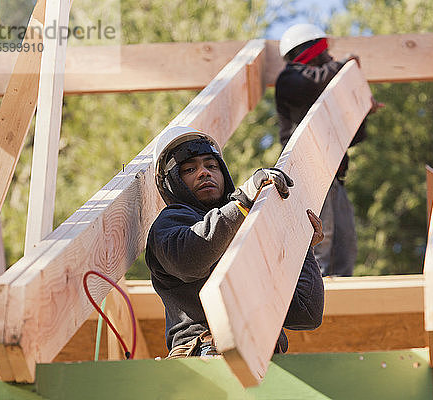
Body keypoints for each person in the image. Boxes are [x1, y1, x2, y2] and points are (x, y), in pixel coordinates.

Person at [145, 125, 325, 358]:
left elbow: (305, 313)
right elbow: (191, 259)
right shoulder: (169, 224)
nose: (204, 173)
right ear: (172, 182)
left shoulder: (251, 236)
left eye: (211, 166)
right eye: (190, 169)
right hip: (204, 357)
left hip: (266, 362)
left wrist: (301, 247)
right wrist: (243, 202)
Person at [275, 23, 384, 277]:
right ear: (311, 52)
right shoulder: (290, 79)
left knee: (345, 247)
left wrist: (361, 109)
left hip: (334, 177)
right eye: (326, 52)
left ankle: (340, 305)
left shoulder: (324, 87)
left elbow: (355, 137)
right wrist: (345, 68)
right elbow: (312, 82)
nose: (331, 57)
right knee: (319, 248)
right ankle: (315, 301)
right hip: (308, 174)